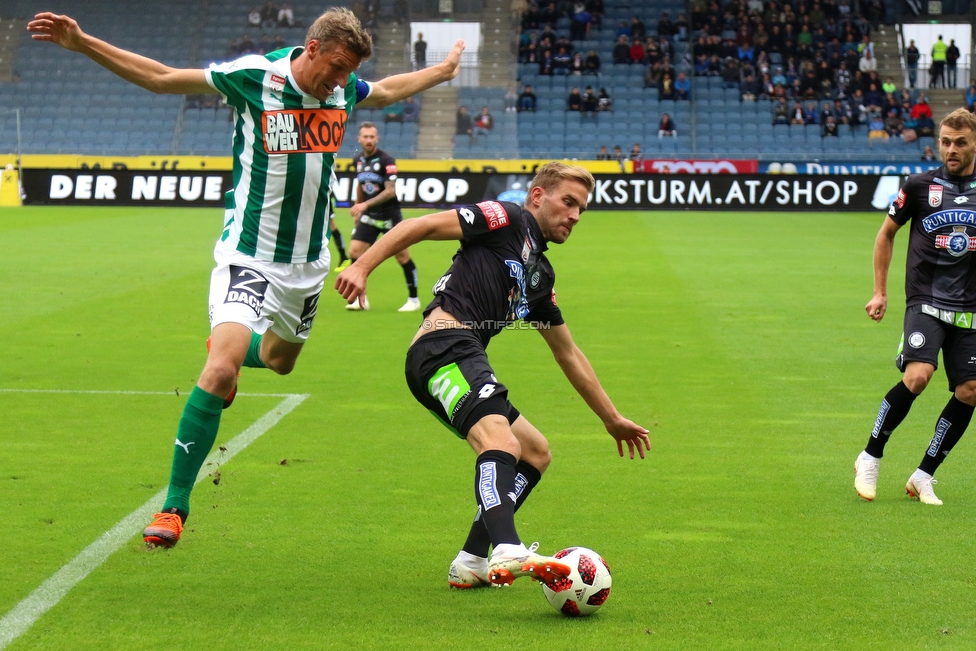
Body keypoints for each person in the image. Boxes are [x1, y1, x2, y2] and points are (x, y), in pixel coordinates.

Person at [27, 8, 464, 548]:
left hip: (306, 265)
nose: (339, 79)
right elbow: (164, 78)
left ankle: (237, 354)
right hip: (249, 256)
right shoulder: (256, 77)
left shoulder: (343, 89)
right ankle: (173, 506)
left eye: (348, 71)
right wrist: (83, 42)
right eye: (335, 66)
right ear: (311, 47)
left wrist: (440, 73)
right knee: (217, 371)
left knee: (280, 362)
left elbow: (390, 89)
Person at [335, 163, 650, 587]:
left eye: (581, 209)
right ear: (538, 196)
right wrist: (362, 266)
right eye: (568, 202)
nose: (575, 215)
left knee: (535, 452)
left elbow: (567, 353)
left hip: (462, 354)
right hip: (442, 347)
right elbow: (424, 224)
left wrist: (611, 418)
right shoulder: (507, 218)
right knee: (500, 441)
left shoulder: (539, 274)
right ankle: (507, 547)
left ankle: (472, 559)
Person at [855, 108, 976, 507]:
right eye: (945, 141)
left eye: (960, 142)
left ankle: (924, 475)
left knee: (971, 391)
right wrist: (880, 291)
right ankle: (870, 455)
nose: (951, 149)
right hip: (926, 298)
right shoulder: (920, 186)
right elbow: (886, 234)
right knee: (918, 376)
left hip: (971, 308)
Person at [346, 122, 420, 312]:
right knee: (355, 252)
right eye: (365, 136)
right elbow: (361, 185)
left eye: (372, 137)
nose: (369, 140)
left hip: (390, 216)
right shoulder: (358, 161)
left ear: (377, 139)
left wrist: (364, 204)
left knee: (402, 257)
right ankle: (360, 299)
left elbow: (390, 191)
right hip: (369, 216)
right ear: (359, 139)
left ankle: (414, 299)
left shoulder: (387, 160)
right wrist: (359, 207)